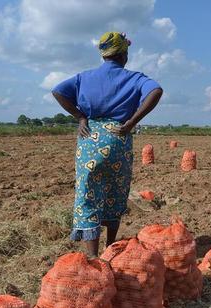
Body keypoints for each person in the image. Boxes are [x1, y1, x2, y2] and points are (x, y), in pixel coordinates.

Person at [52, 31, 163, 257]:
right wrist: (131, 122)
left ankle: (92, 258)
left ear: (104, 55)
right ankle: (110, 249)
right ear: (124, 54)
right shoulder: (134, 78)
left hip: (89, 139)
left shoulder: (85, 77)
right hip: (118, 138)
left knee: (88, 195)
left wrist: (81, 117)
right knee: (115, 193)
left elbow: (58, 91)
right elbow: (156, 90)